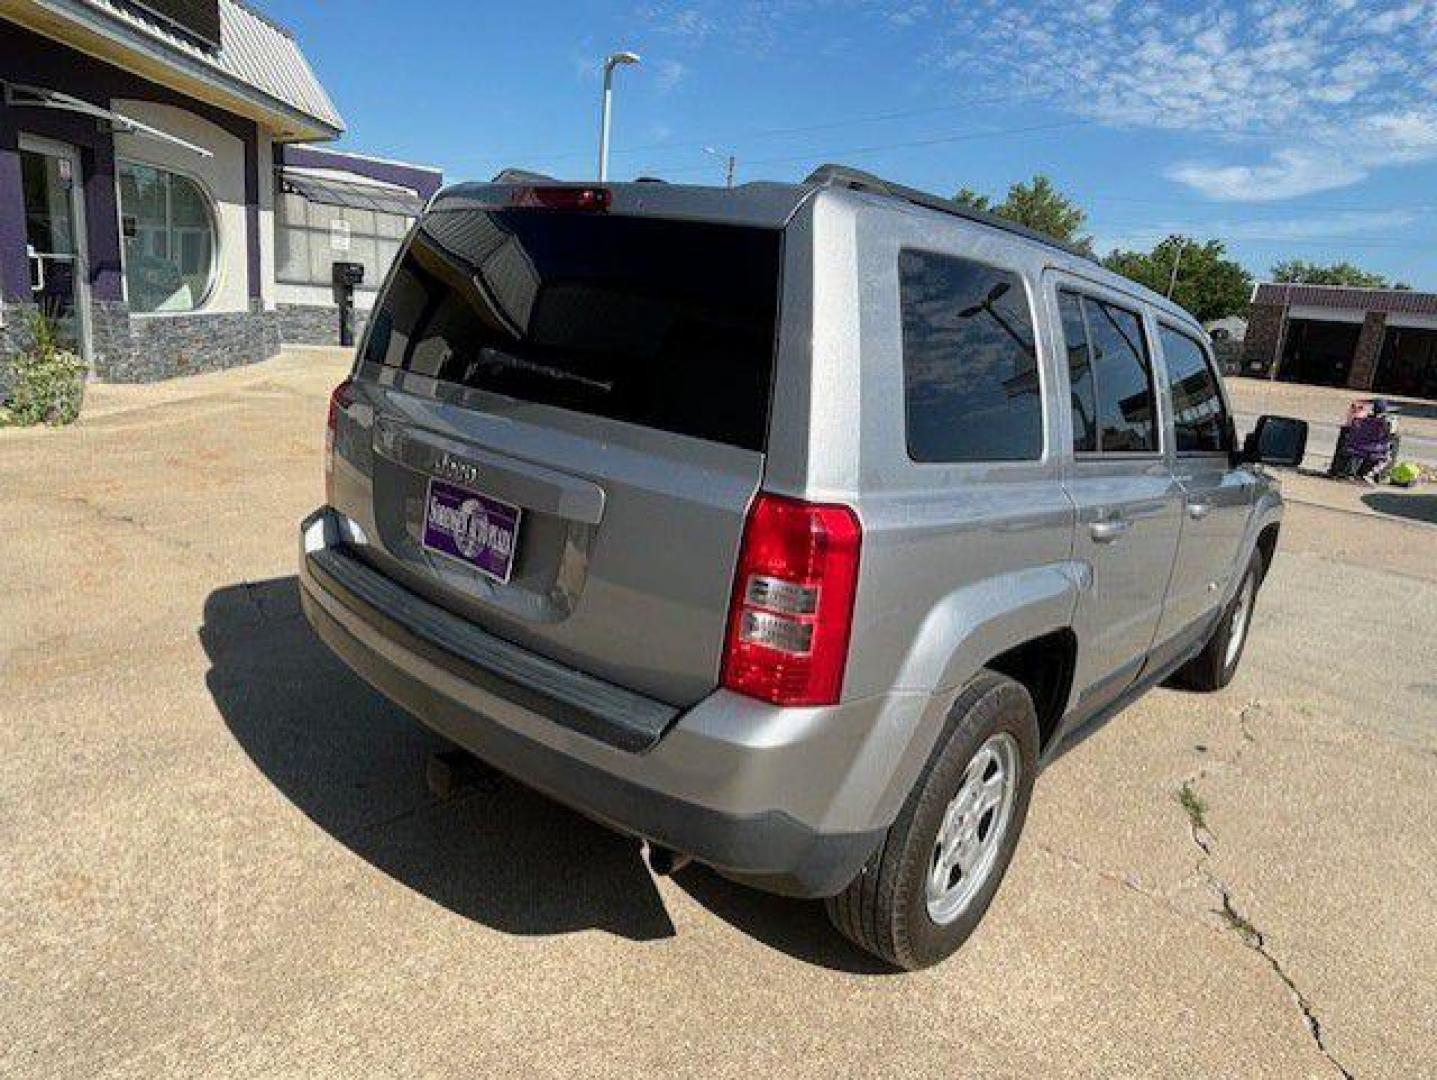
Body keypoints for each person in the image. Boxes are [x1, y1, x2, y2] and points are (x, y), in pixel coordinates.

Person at [1346, 399, 1399, 483]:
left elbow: (1351, 427)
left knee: (1363, 454)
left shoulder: (1363, 419)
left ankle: (1352, 473)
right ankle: (1369, 474)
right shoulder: (1385, 422)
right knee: (1387, 458)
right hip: (1375, 449)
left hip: (1358, 446)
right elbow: (1390, 435)